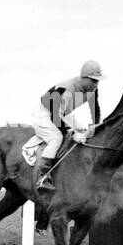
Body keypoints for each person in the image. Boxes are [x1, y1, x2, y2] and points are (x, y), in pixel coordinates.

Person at [32, 60, 103, 191]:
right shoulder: (65, 88)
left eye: (97, 81)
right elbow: (55, 116)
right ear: (83, 77)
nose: (96, 84)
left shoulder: (92, 90)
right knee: (57, 138)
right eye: (93, 80)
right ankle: (43, 177)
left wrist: (97, 126)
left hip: (62, 113)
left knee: (84, 130)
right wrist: (73, 133)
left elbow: (95, 109)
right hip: (45, 114)